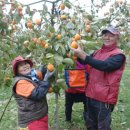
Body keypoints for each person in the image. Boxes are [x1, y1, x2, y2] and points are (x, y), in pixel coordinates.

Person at [70, 26, 126, 130]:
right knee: (91, 124)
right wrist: (78, 53)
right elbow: (85, 61)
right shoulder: (98, 52)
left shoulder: (118, 55)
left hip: (104, 98)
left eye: (111, 35)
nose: (107, 37)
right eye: (105, 35)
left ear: (117, 38)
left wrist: (84, 56)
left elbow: (105, 66)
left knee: (103, 126)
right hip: (91, 94)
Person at [12, 56, 55, 130]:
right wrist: (46, 79)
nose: (25, 66)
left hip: (39, 115)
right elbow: (37, 94)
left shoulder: (31, 76)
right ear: (17, 70)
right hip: (32, 120)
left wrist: (47, 63)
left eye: (25, 63)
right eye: (21, 65)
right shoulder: (20, 82)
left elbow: (39, 80)